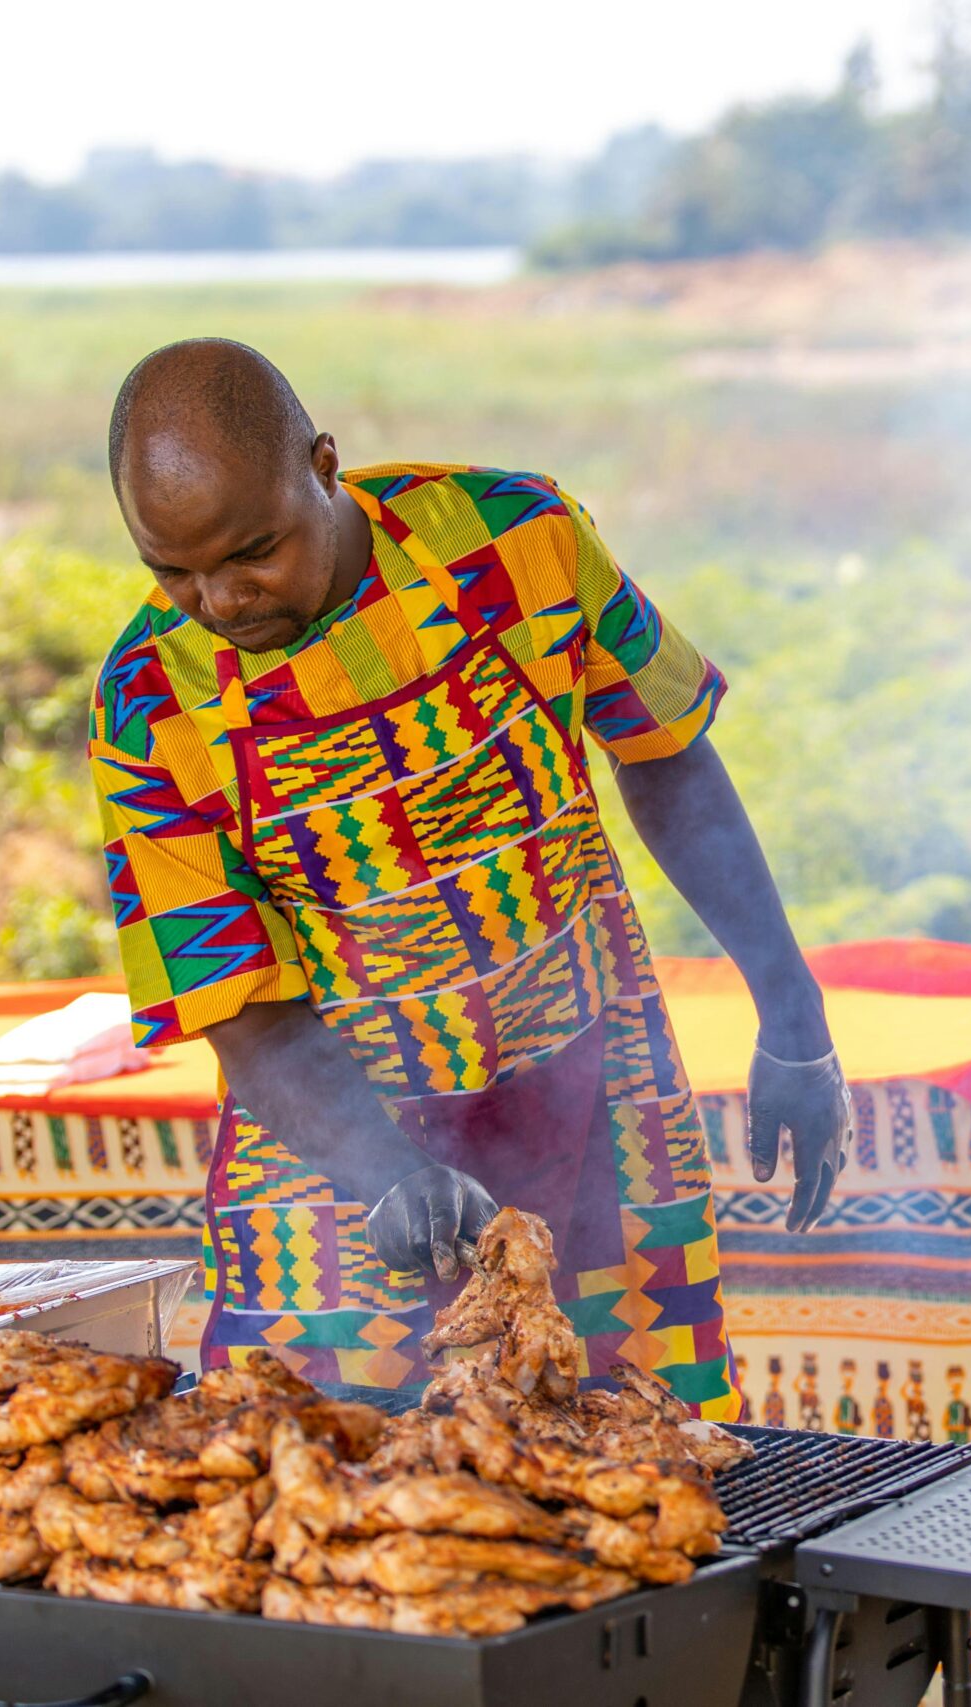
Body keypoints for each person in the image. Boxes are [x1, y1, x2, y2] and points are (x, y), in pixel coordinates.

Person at [90, 338, 850, 1412]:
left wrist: (793, 1013)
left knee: (642, 1438)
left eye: (250, 551)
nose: (217, 598)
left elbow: (667, 755)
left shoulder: (518, 538)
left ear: (322, 465)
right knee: (326, 1478)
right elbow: (233, 991)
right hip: (332, 1157)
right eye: (171, 571)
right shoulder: (147, 703)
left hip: (601, 1091)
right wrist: (382, 1170)